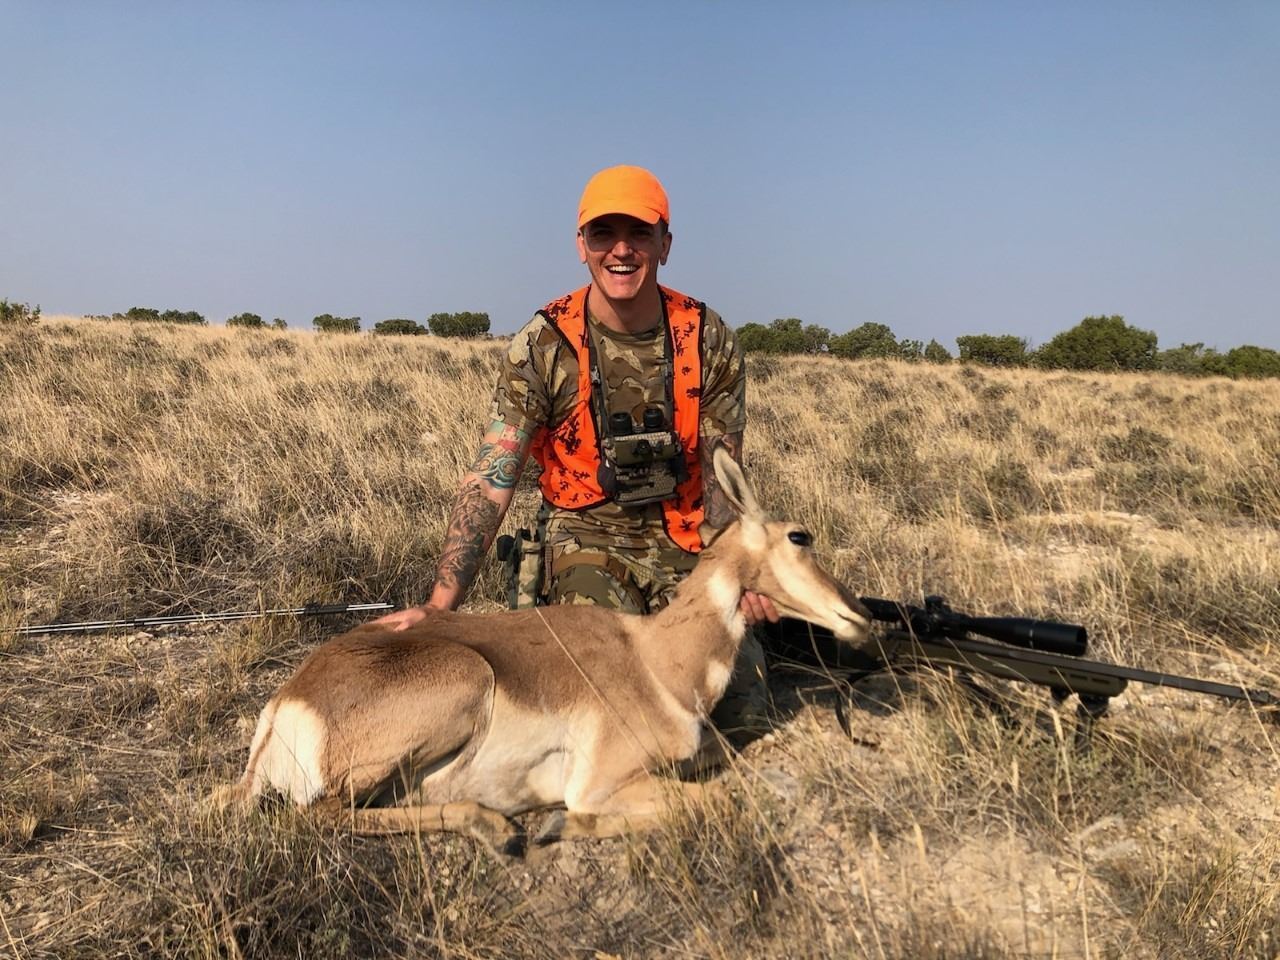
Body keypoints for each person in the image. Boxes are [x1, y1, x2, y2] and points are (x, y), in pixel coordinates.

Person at [377, 164, 777, 743]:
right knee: (612, 692)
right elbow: (493, 477)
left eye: (639, 233)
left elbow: (723, 483)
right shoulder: (544, 343)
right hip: (585, 535)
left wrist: (743, 574)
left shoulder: (708, 337)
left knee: (741, 710)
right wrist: (441, 609)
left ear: (665, 245)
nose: (621, 250)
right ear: (581, 245)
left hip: (685, 539)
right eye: (602, 233)